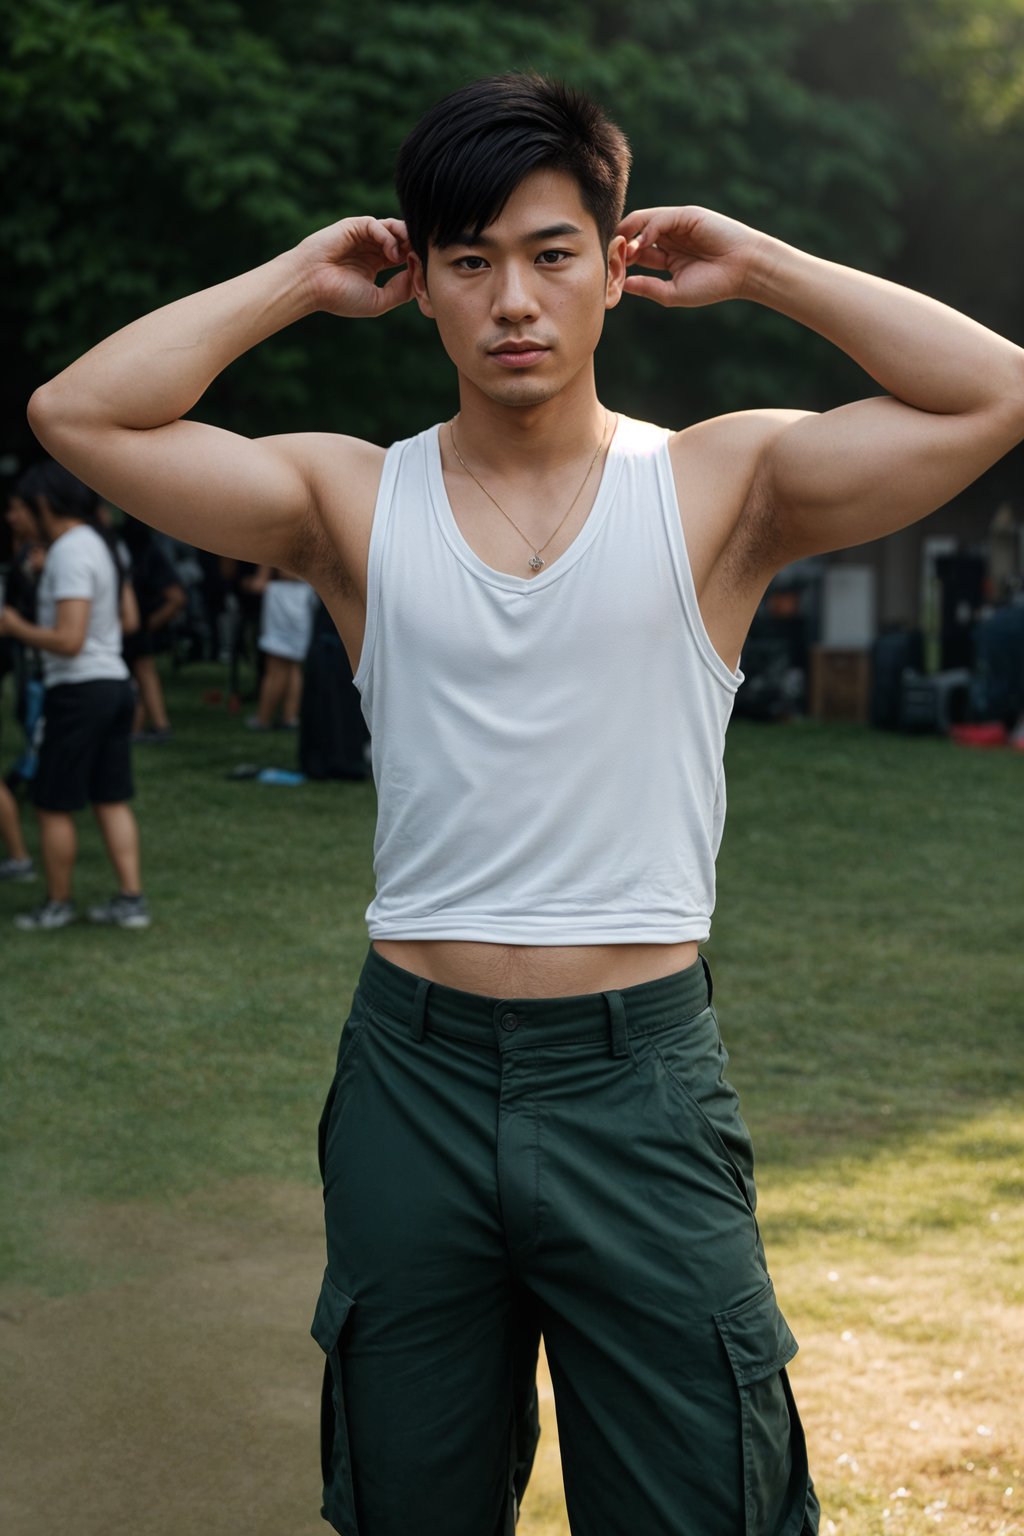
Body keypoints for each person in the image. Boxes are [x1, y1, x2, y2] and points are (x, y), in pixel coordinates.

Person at [23, 71, 1024, 1535]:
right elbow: (81, 414)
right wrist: (298, 279)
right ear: (417, 280)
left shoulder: (718, 484)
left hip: (642, 1085)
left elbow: (997, 388)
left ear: (614, 271)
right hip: (411, 1079)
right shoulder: (352, 502)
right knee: (407, 1504)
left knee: (705, 1506)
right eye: (470, 259)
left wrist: (766, 268)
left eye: (552, 253)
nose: (512, 300)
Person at [0, 462, 151, 930]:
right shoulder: (101, 545)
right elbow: (126, 622)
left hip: (79, 690)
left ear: (44, 505)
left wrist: (14, 624)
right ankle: (130, 901)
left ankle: (57, 905)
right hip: (113, 685)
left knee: (52, 802)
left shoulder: (69, 551)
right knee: (110, 797)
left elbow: (68, 640)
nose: (13, 517)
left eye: (20, 508)